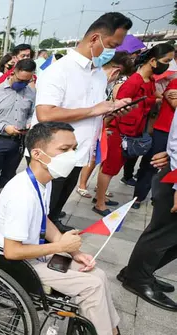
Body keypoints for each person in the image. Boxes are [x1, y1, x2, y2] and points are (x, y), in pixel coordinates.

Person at [0, 121, 174, 335]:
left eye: (74, 148)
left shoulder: (42, 181)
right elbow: (12, 251)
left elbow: (44, 221)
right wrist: (59, 247)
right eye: (65, 149)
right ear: (39, 154)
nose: (73, 154)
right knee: (91, 286)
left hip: (35, 255)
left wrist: (74, 251)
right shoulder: (22, 193)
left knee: (97, 274)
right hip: (19, 263)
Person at [33, 12, 133, 232]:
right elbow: (45, 114)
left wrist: (112, 111)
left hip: (80, 154)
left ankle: (52, 228)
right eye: (111, 45)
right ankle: (35, 243)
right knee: (40, 209)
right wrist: (93, 110)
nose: (112, 51)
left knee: (57, 205)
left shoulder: (98, 75)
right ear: (95, 39)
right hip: (54, 155)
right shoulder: (59, 71)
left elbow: (93, 112)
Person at [92, 43, 174, 216]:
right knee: (110, 168)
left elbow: (149, 100)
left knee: (113, 167)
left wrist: (159, 98)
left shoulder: (150, 80)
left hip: (133, 131)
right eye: (166, 61)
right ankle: (99, 203)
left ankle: (100, 196)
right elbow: (118, 109)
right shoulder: (133, 82)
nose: (168, 65)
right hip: (120, 131)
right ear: (153, 61)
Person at [118, 107, 177, 311]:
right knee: (163, 233)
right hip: (174, 179)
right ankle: (137, 278)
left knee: (168, 235)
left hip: (173, 171)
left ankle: (138, 272)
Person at [0, 59, 37, 212]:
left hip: (18, 141)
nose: (22, 83)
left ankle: (1, 205)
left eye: (27, 80)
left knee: (9, 176)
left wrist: (29, 123)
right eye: (20, 79)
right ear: (13, 72)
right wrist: (5, 127)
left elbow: (31, 113)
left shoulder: (30, 93)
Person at [75, 52, 135, 199]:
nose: (117, 80)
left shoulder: (102, 85)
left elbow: (98, 114)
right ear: (116, 71)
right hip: (75, 140)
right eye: (119, 76)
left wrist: (111, 113)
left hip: (91, 136)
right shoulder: (88, 83)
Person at [132, 49, 177, 207]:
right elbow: (174, 103)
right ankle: (138, 197)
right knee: (152, 163)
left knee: (170, 168)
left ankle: (162, 196)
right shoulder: (174, 82)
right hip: (164, 131)